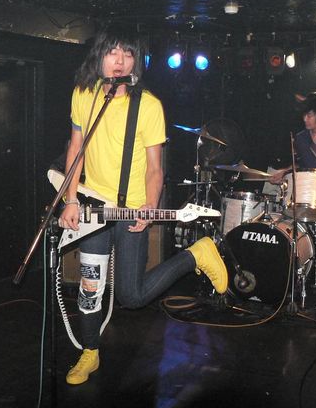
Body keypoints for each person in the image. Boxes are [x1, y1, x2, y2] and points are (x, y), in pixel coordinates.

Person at [58, 25, 227, 385]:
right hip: (92, 205)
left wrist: (150, 206)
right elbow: (76, 149)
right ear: (100, 55)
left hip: (132, 207)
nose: (120, 60)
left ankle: (196, 254)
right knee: (90, 289)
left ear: (136, 61)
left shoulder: (148, 105)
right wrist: (70, 199)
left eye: (128, 53)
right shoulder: (83, 94)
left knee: (132, 296)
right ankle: (89, 352)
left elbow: (155, 167)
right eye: (113, 52)